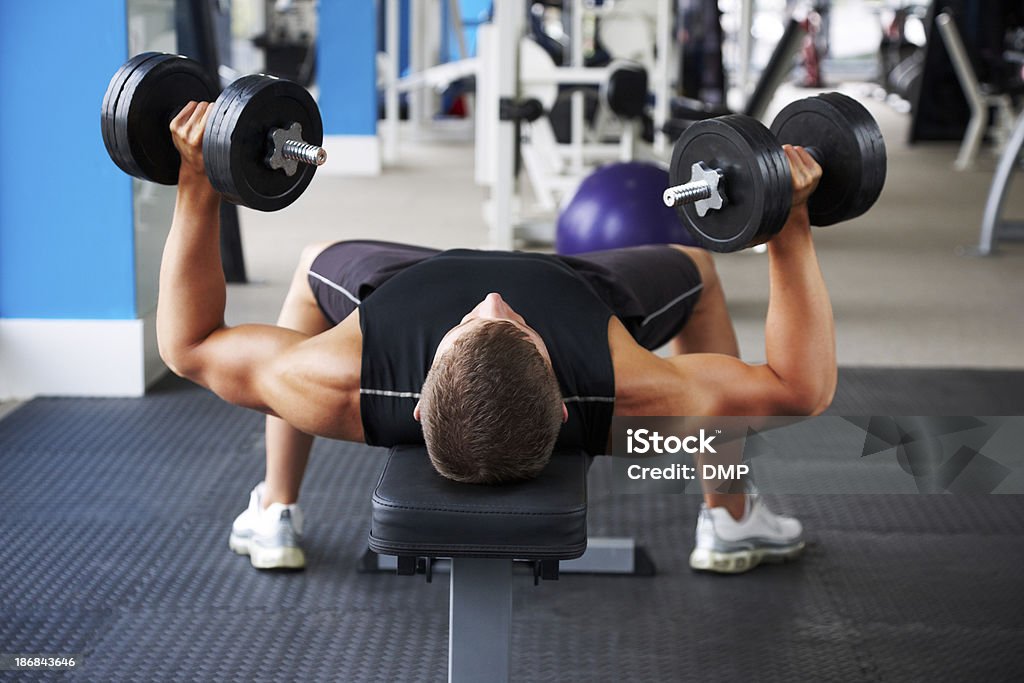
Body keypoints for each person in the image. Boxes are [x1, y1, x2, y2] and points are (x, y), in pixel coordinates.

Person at [160, 101, 833, 574]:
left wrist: (196, 182)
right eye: (513, 327)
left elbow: (187, 345)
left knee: (313, 262)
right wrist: (790, 224)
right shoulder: (625, 393)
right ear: (567, 406)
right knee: (699, 270)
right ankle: (732, 518)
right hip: (580, 289)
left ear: (419, 402)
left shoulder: (333, 380)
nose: (491, 300)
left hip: (404, 287)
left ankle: (276, 506)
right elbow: (802, 389)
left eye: (470, 325)